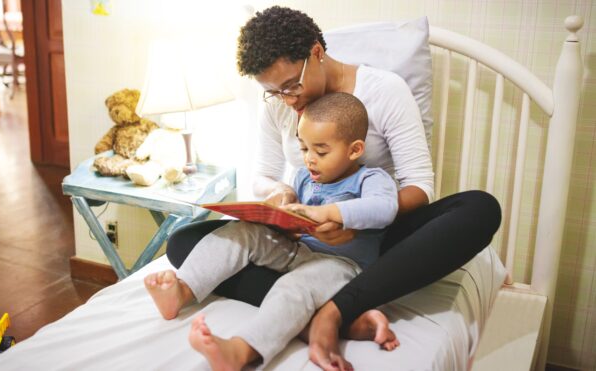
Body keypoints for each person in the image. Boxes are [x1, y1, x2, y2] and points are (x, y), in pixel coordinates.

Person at [166, 6, 502, 371]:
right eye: (274, 92)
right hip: (306, 237)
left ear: (316, 52)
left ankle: (335, 311)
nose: (289, 99)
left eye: (292, 84)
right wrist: (283, 197)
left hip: (376, 232)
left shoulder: (385, 91)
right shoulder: (281, 105)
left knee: (480, 208)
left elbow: (419, 188)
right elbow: (263, 175)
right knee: (183, 241)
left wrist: (351, 219)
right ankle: (314, 315)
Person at [145, 93, 400, 370]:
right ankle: (182, 290)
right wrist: (281, 218)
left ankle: (240, 350)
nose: (310, 160)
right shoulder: (303, 176)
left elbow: (384, 208)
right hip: (296, 250)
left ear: (354, 149)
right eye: (304, 149)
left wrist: (328, 213)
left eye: (321, 151)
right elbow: (294, 217)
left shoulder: (371, 179)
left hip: (341, 265)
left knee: (293, 286)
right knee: (241, 232)